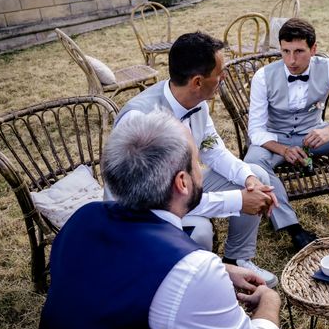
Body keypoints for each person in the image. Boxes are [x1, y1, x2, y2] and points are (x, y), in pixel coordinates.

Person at [28, 111, 312, 329]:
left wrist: (224, 269)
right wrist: (270, 303)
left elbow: (120, 273)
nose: (201, 168)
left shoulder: (82, 219)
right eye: (196, 162)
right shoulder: (191, 268)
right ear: (183, 182)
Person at [111, 31, 279, 287]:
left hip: (180, 189)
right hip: (141, 215)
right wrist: (238, 201)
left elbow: (215, 150)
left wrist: (250, 179)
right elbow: (162, 201)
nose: (224, 77)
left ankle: (237, 259)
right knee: (200, 231)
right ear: (198, 81)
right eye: (220, 73)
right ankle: (188, 283)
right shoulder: (140, 120)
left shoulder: (196, 102)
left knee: (257, 174)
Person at [245, 18, 329, 250]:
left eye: (299, 51)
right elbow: (255, 130)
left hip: (313, 136)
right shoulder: (263, 77)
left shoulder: (328, 67)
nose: (291, 60)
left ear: (313, 49)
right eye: (285, 51)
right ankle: (293, 228)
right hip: (275, 139)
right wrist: (283, 150)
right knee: (252, 162)